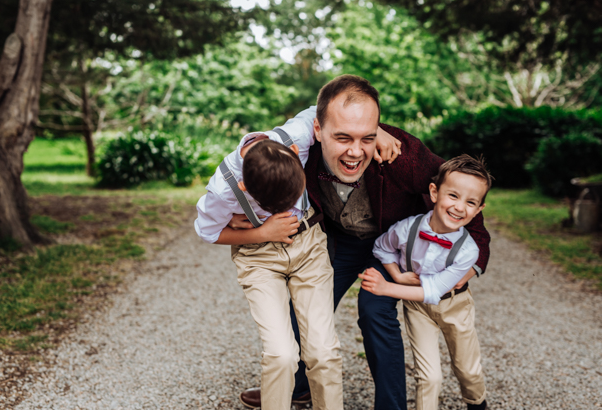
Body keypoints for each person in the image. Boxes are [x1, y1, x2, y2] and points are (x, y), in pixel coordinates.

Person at [233, 75, 491, 410]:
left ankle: (391, 406)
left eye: (366, 137)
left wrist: (472, 263)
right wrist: (242, 213)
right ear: (318, 131)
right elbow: (256, 159)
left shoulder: (401, 153)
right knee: (305, 304)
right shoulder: (302, 153)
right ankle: (298, 386)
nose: (355, 151)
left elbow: (460, 194)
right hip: (338, 241)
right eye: (343, 137)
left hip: (388, 249)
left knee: (375, 311)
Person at [194, 107, 344, 410]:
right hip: (259, 258)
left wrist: (377, 131)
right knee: (281, 354)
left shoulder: (297, 135)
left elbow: (332, 108)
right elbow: (207, 231)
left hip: (309, 247)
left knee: (323, 352)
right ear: (244, 187)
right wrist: (261, 233)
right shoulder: (224, 188)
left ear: (294, 153)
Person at [361, 154, 492, 410]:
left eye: (471, 202)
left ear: (478, 210)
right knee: (429, 376)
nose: (459, 207)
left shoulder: (468, 251)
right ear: (434, 192)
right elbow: (381, 247)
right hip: (418, 309)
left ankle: (477, 403)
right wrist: (397, 274)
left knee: (467, 370)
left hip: (455, 306)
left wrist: (387, 287)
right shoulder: (406, 229)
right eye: (453, 196)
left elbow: (433, 291)